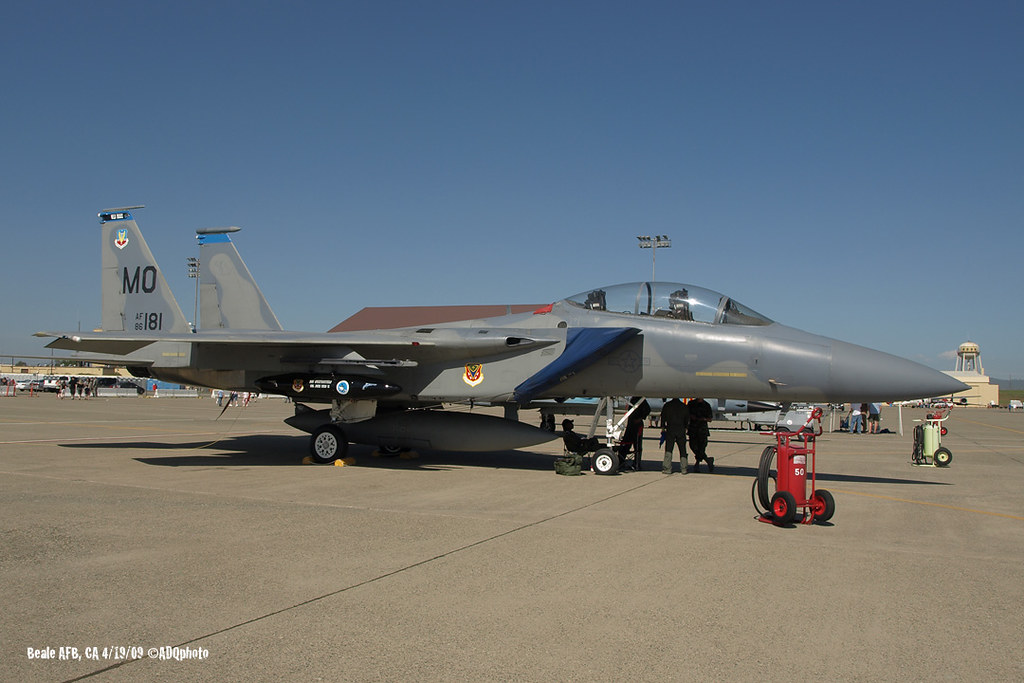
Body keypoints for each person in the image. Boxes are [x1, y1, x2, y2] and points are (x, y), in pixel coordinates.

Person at [618, 397, 651, 470]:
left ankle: (637, 464)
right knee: (625, 443)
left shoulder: (641, 399)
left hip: (637, 425)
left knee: (637, 445)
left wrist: (641, 418)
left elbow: (648, 409)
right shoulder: (632, 399)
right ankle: (621, 461)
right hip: (630, 424)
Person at [661, 397, 690, 474]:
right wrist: (686, 427)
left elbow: (663, 417)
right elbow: (687, 419)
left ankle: (667, 468)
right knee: (682, 449)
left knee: (669, 449)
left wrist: (663, 427)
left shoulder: (667, 405)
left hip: (670, 428)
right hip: (681, 429)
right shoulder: (684, 406)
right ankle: (684, 468)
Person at [687, 397, 714, 472]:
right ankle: (708, 460)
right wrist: (691, 417)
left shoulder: (706, 405)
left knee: (701, 449)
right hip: (693, 429)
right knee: (693, 446)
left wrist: (703, 419)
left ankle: (697, 464)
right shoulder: (691, 404)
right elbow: (686, 414)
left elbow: (710, 419)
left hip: (702, 430)